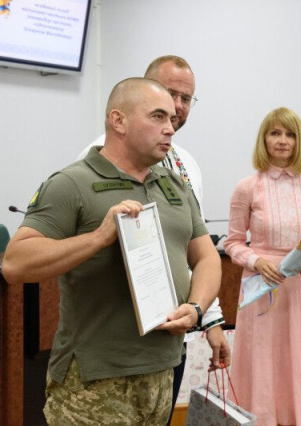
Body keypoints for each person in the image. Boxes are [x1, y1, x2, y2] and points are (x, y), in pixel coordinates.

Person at [2, 77, 223, 425]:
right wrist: (97, 238)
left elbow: (206, 256)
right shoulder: (72, 183)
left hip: (162, 371)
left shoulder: (174, 184)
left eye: (171, 119)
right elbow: (15, 264)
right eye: (158, 117)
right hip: (93, 379)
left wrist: (196, 308)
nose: (170, 128)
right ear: (118, 121)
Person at [76, 55, 230, 423]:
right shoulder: (95, 161)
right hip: (113, 345)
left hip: (171, 338)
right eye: (168, 94)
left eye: (186, 98)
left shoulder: (185, 165)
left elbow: (194, 252)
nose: (177, 107)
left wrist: (209, 319)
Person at [223, 107, 301, 425]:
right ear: (263, 139)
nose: (283, 140)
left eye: (290, 134)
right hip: (264, 287)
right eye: (275, 133)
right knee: (264, 358)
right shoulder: (247, 187)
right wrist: (258, 261)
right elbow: (232, 243)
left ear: (299, 140)